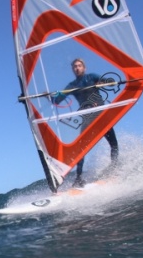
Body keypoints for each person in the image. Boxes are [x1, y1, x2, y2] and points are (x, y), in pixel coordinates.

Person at [51, 58, 119, 188]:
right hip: (88, 118)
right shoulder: (72, 86)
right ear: (73, 70)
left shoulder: (92, 77)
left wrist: (106, 83)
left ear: (84, 67)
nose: (77, 68)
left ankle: (114, 169)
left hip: (101, 116)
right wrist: (48, 96)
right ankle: (78, 178)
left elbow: (109, 83)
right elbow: (57, 101)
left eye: (79, 66)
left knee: (114, 144)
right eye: (75, 67)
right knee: (81, 149)